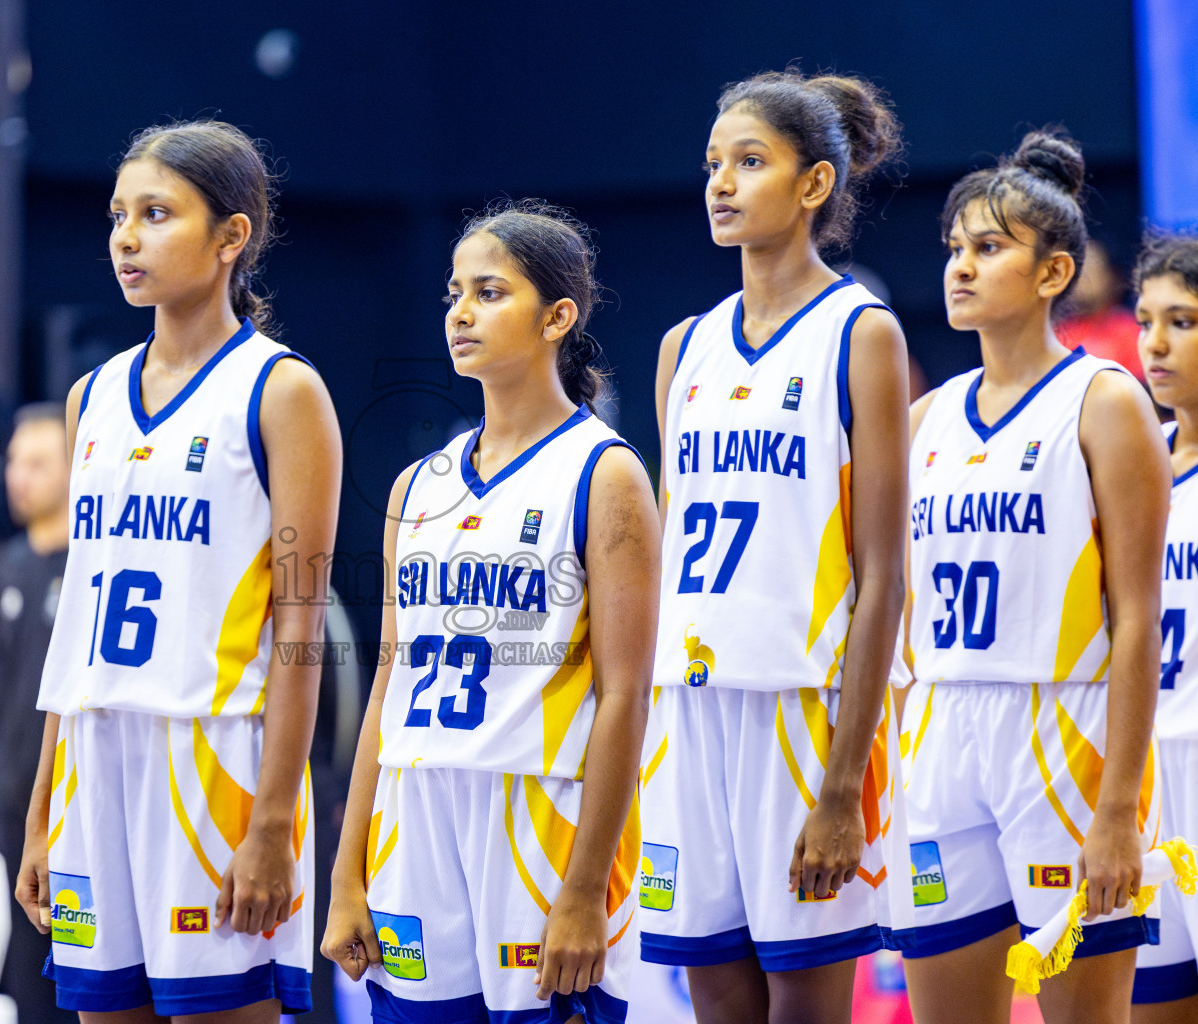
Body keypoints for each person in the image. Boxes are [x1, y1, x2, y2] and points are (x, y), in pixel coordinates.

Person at [15, 120, 342, 1023]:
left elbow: (300, 625)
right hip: (94, 756)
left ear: (231, 235)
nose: (127, 236)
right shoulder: (91, 397)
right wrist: (44, 807)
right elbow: (75, 626)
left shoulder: (281, 391)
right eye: (119, 215)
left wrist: (273, 822)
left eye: (156, 214)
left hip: (215, 758)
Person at [322, 200, 659, 1023]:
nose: (461, 312)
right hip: (416, 814)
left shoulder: (605, 473)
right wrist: (345, 873)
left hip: (539, 818)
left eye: (490, 292)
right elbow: (388, 684)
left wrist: (584, 888)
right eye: (453, 293)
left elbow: (625, 697)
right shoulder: (415, 485)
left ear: (557, 317)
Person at [641, 70, 912, 1024]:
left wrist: (844, 781)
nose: (721, 182)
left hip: (802, 713)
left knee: (803, 1003)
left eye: (750, 162)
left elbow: (884, 575)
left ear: (815, 185)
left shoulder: (860, 334)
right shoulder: (685, 347)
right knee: (714, 996)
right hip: (687, 710)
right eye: (714, 163)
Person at [901, 129, 1167, 1024]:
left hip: (1063, 729)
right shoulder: (925, 417)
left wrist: (1120, 809)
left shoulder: (1105, 399)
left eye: (988, 248)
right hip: (941, 734)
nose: (960, 268)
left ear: (1053, 274)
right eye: (954, 249)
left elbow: (1136, 618)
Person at [0, 403, 74, 1023]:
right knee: (24, 984)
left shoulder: (94, 566)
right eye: (14, 462)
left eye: (37, 463)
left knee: (86, 977)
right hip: (11, 804)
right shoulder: (4, 566)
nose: (19, 477)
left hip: (75, 805)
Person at [1131, 233, 1198, 1021]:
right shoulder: (1131, 464)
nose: (1154, 343)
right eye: (1146, 320)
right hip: (1145, 778)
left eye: (1182, 321)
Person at [1058, 239, 1144, 380]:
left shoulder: (1131, 332)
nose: (1082, 279)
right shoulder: (1057, 332)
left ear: (1113, 276)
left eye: (1091, 269)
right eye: (1077, 271)